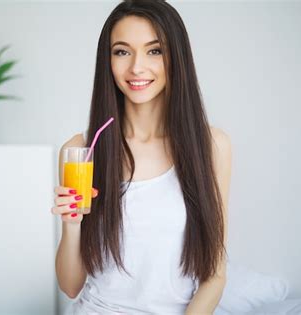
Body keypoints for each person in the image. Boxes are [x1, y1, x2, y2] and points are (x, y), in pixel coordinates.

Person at [51, 0, 232, 314]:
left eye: (155, 51)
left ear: (176, 57)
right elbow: (70, 286)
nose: (136, 67)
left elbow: (214, 276)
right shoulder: (81, 151)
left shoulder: (212, 145)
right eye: (122, 51)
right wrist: (72, 225)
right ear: (106, 60)